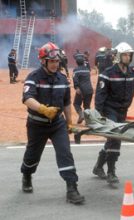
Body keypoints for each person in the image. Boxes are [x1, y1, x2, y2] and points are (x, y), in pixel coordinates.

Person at [20, 42, 85, 204]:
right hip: (37, 124)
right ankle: (27, 175)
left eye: (57, 61)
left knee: (65, 153)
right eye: (52, 61)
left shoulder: (62, 79)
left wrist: (69, 123)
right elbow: (27, 98)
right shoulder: (33, 78)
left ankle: (72, 188)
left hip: (57, 124)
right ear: (44, 61)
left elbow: (67, 103)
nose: (56, 64)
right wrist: (42, 109)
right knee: (32, 155)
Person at [93, 42, 134, 187]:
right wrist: (99, 115)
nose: (128, 57)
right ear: (117, 56)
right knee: (116, 138)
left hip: (123, 110)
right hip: (109, 110)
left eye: (130, 55)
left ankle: (98, 167)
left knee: (112, 139)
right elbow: (100, 96)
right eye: (125, 54)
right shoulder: (107, 74)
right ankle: (111, 171)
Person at [72, 55, 93, 124]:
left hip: (81, 90)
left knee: (76, 104)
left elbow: (75, 80)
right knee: (87, 106)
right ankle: (88, 121)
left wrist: (77, 87)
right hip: (89, 90)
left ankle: (81, 114)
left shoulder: (76, 70)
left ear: (76, 62)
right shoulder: (87, 69)